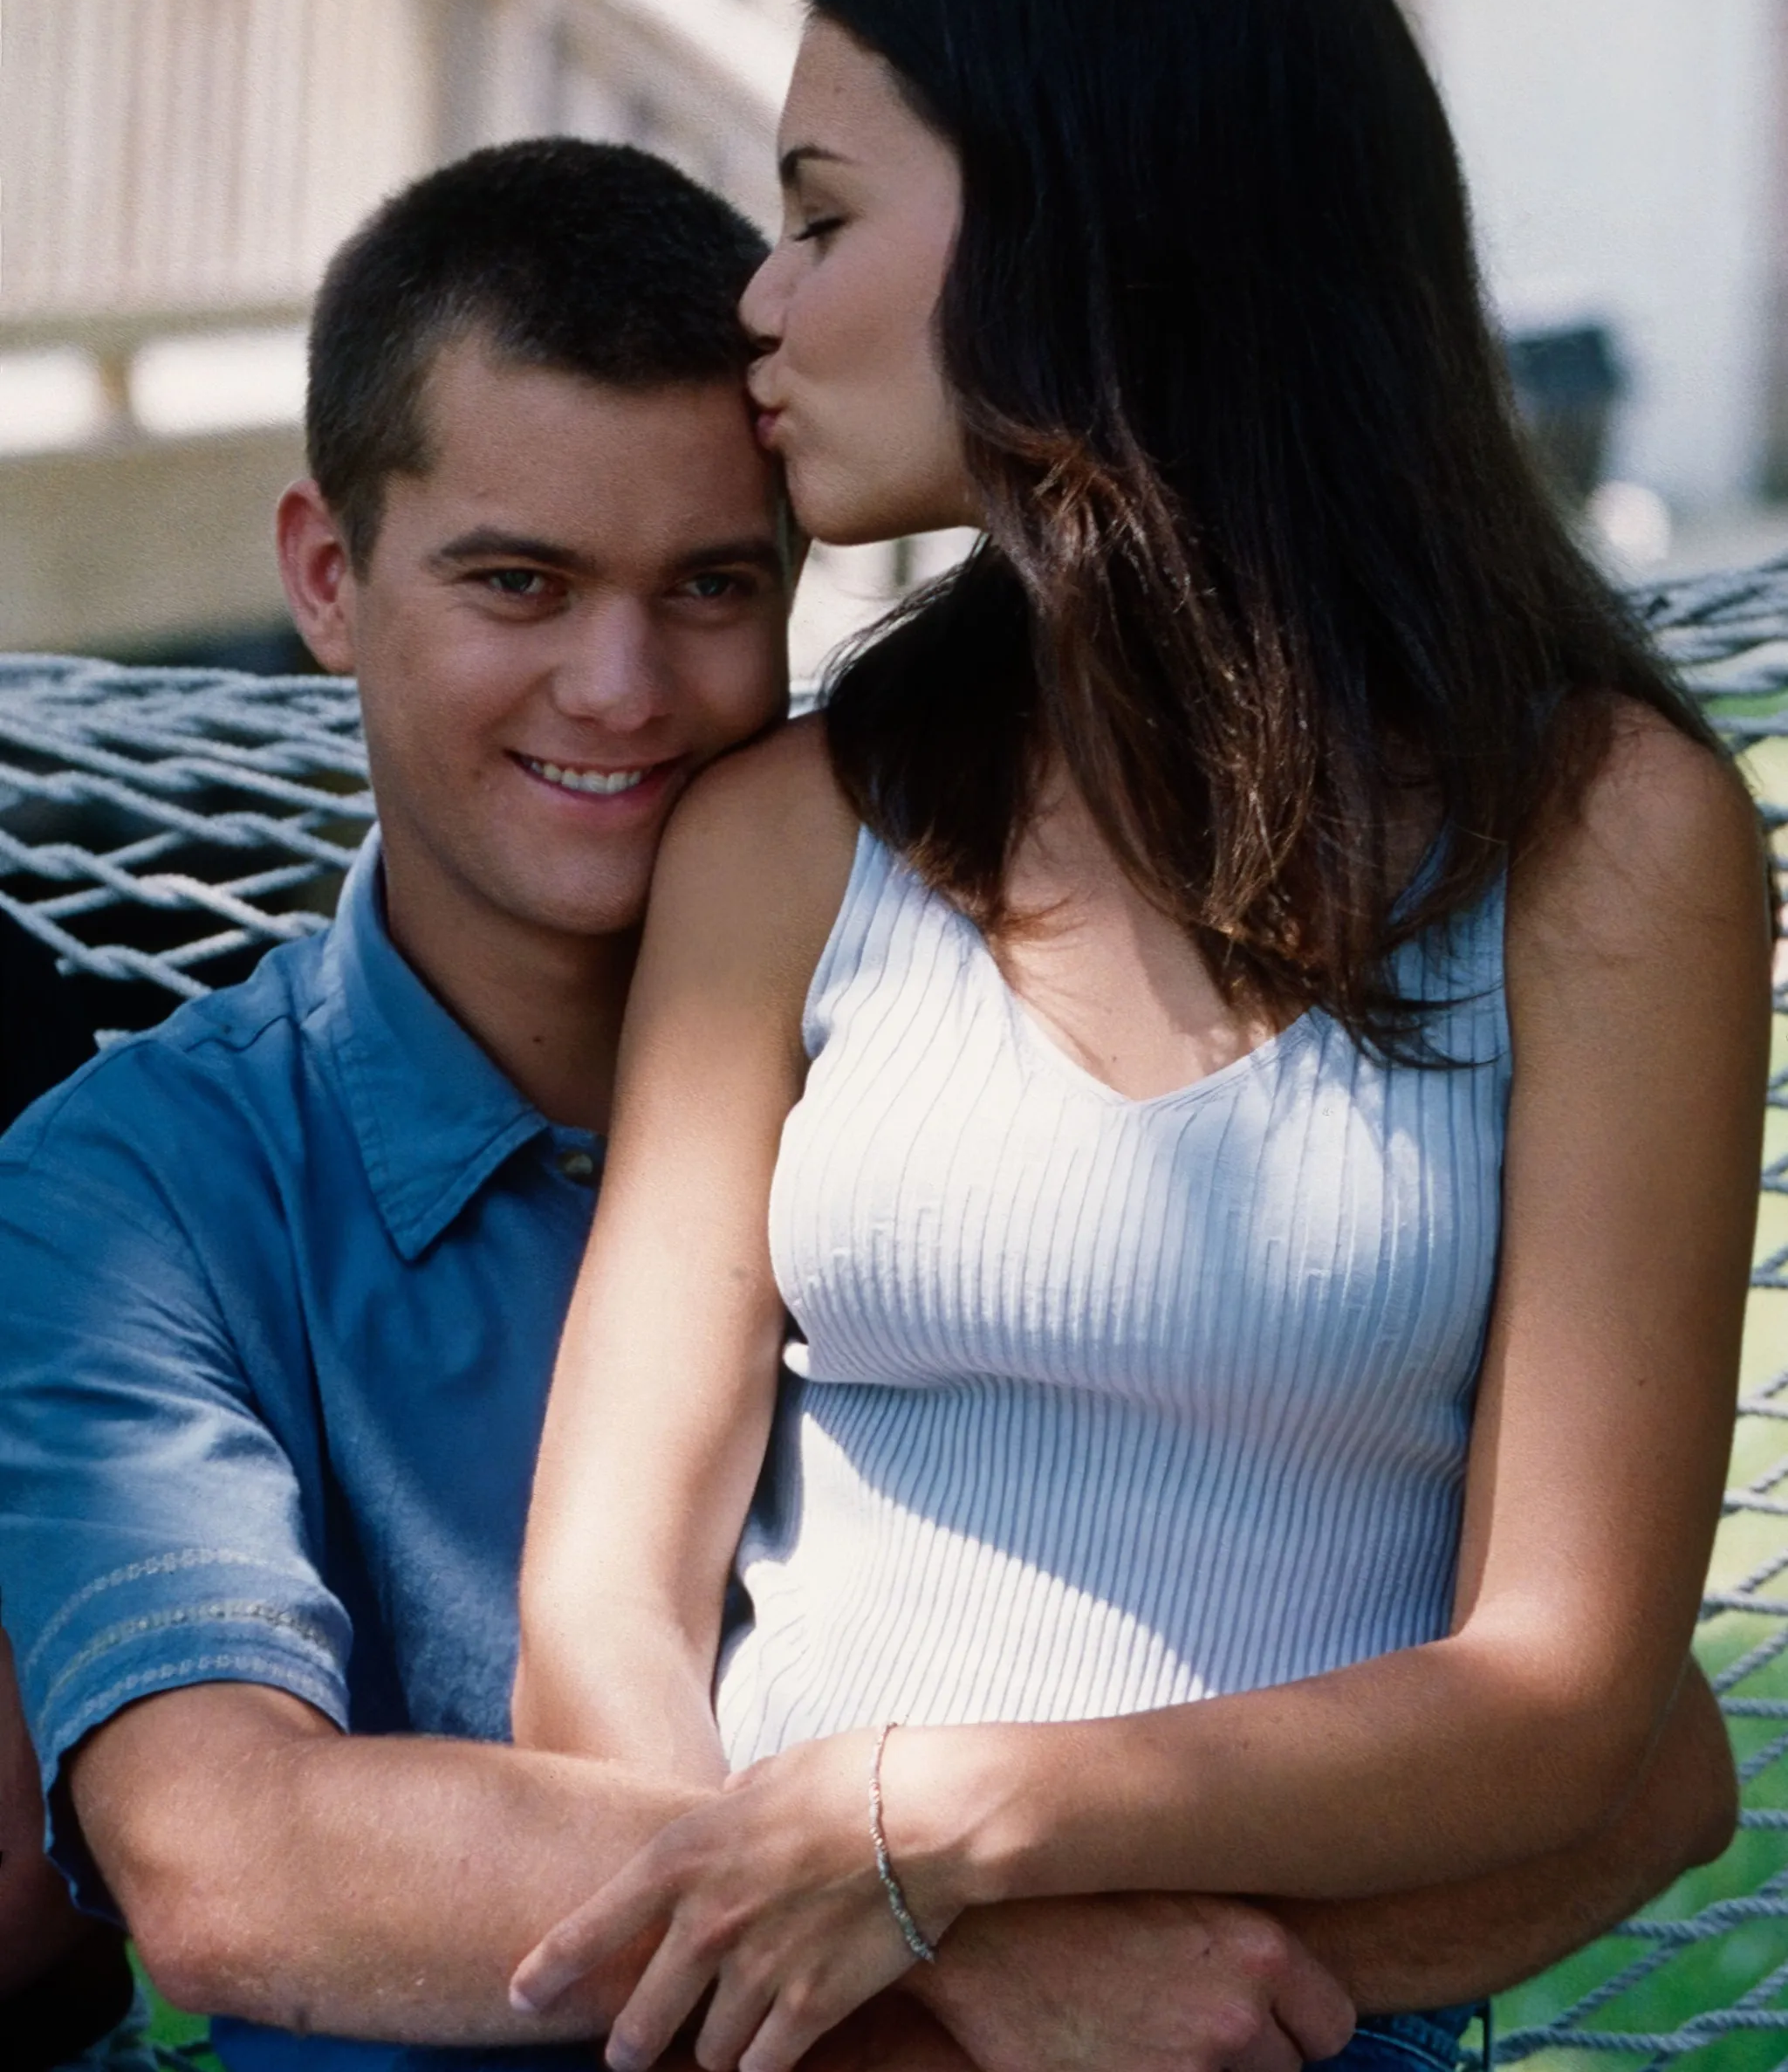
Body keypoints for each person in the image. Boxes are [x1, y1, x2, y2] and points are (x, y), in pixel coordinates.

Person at [0, 134, 1737, 2072]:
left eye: (714, 586)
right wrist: (958, 1958)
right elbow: (238, 1862)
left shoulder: (964, 1124)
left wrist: (951, 1891)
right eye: (518, 582)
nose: (619, 683)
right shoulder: (131, 1193)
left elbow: (1634, 1765)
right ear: (326, 576)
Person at [508, 0, 1771, 2072]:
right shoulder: (788, 837)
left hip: (1269, 2029)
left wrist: (941, 1821)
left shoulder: (1605, 850)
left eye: (819, 218)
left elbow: (1567, 1698)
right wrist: (900, 1953)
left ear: (1088, 227)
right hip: (765, 2017)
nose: (761, 309)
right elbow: (601, 1607)